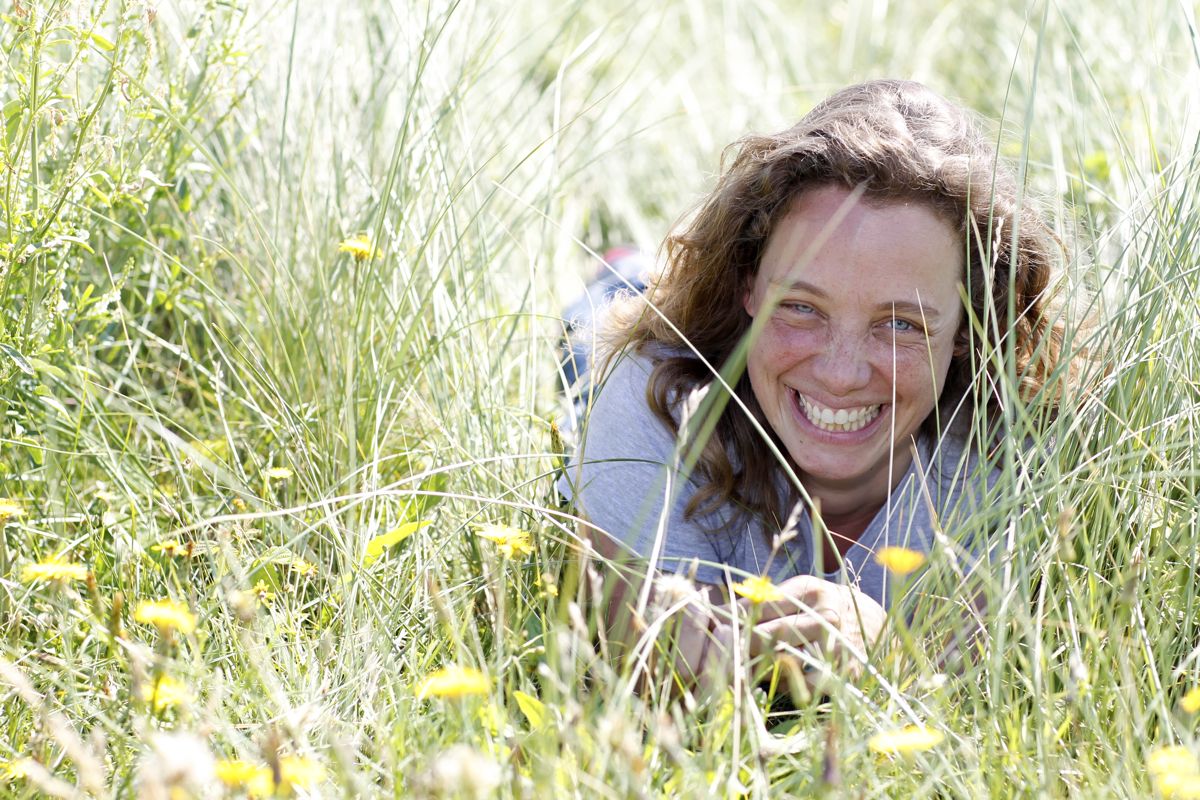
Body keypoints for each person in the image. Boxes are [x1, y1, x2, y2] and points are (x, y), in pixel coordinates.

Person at [557, 79, 1066, 696]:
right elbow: (617, 625)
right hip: (618, 342)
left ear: (970, 323)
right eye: (801, 306)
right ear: (747, 284)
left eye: (900, 323)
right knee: (599, 324)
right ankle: (625, 270)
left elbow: (974, 678)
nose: (840, 373)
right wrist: (706, 641)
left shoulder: (1011, 464)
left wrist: (889, 657)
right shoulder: (654, 388)